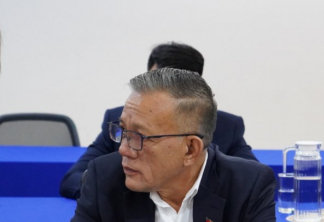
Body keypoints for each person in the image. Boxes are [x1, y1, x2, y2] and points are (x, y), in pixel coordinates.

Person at [44, 68, 293, 222]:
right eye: (122, 131)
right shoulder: (106, 178)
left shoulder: (245, 184)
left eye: (139, 137)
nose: (123, 150)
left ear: (190, 149)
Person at [59, 42, 256, 199]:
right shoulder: (119, 121)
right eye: (152, 81)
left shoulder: (226, 127)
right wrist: (131, 190)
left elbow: (255, 182)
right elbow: (73, 179)